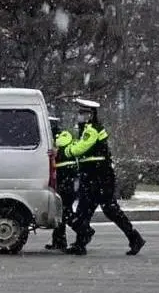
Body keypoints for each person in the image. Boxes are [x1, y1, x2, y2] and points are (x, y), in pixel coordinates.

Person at [62, 98, 145, 256]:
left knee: (109, 209)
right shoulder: (87, 128)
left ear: (90, 114)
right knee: (84, 210)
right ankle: (81, 243)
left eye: (82, 112)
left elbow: (81, 148)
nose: (79, 115)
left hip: (99, 176)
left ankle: (134, 238)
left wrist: (67, 151)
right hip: (93, 175)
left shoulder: (91, 130)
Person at [45, 116, 79, 252]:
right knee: (61, 211)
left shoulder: (63, 135)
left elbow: (62, 146)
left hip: (68, 179)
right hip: (63, 178)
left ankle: (84, 230)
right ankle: (59, 241)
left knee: (65, 211)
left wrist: (55, 148)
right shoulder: (54, 139)